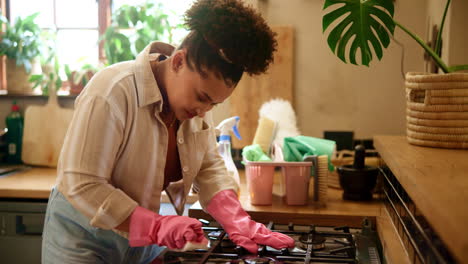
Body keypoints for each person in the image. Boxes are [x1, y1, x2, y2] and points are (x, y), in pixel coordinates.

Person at [41, 0, 295, 263]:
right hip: (83, 238)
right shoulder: (112, 90)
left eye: (214, 103)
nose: (204, 111)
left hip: (138, 241)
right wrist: (155, 226)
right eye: (202, 97)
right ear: (178, 61)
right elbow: (82, 183)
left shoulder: (192, 106)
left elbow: (208, 166)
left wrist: (236, 217)